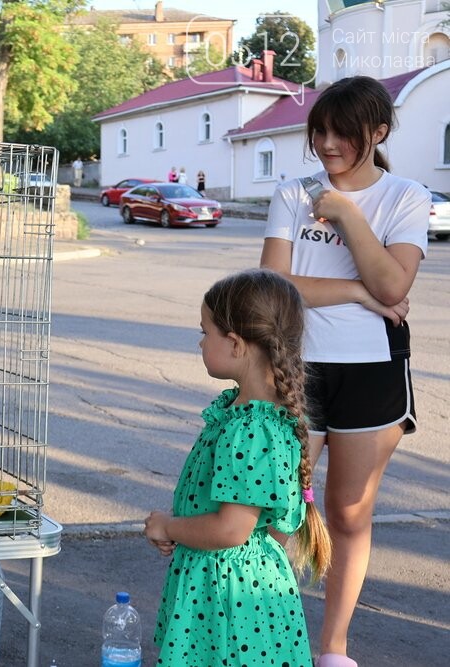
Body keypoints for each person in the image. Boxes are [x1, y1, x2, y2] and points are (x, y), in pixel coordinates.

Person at [260, 76, 430, 667]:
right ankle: (265, 639)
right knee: (279, 507)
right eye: (321, 131)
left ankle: (333, 648)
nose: (328, 144)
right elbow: (276, 286)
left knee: (349, 512)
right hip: (294, 367)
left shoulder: (406, 196)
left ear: (377, 133)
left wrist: (346, 215)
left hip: (372, 371)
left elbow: (395, 285)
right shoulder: (291, 193)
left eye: (343, 133)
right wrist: (360, 290)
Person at [145, 268, 331, 667]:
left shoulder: (248, 429)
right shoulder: (269, 419)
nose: (199, 341)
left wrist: (169, 526)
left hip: (228, 605)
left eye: (205, 331)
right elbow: (277, 529)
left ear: (234, 344)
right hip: (255, 601)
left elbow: (231, 530)